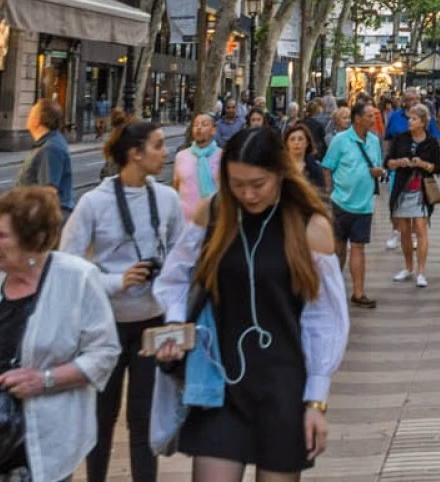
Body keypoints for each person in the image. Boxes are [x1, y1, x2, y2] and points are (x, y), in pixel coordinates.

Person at [152, 126, 346, 480]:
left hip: (284, 387)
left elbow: (324, 319)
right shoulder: (213, 213)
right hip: (219, 381)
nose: (247, 194)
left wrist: (316, 401)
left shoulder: (310, 226)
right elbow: (175, 276)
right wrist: (175, 324)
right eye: (237, 184)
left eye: (258, 184)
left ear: (280, 173)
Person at [0, 186, 119, 482]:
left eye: (1, 236)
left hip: (43, 446)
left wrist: (44, 380)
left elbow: (105, 352)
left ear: (32, 240)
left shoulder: (78, 278)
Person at [60, 120, 182, 482]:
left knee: (144, 418)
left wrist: (172, 304)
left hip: (152, 322)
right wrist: (117, 281)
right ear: (135, 153)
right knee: (101, 415)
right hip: (104, 325)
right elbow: (68, 264)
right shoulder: (93, 203)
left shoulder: (167, 199)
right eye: (158, 145)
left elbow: (181, 256)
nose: (165, 152)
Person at [319, 100, 385, 310]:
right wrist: (329, 193)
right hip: (341, 202)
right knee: (338, 248)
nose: (373, 119)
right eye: (369, 116)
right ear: (357, 119)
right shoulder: (340, 140)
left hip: (364, 204)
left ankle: (358, 293)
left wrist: (379, 172)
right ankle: (332, 291)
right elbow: (327, 167)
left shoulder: (374, 141)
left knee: (358, 247)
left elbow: (377, 165)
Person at [383, 104, 440, 289]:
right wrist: (399, 163)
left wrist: (423, 164)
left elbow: (438, 168)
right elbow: (388, 162)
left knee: (420, 227)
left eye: (414, 118)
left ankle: (421, 271)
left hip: (421, 191)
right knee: (404, 231)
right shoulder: (400, 139)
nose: (410, 121)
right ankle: (408, 267)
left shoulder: (431, 142)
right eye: (409, 118)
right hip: (402, 189)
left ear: (423, 122)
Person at [18, 100, 75, 211]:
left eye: (31, 113)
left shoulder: (50, 148)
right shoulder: (49, 143)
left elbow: (48, 193)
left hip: (47, 220)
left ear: (37, 120)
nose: (28, 116)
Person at [174, 113, 223, 223]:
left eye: (204, 124)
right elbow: (176, 187)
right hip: (185, 223)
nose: (199, 128)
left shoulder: (222, 156)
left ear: (213, 130)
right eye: (196, 125)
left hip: (213, 221)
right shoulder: (181, 156)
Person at [283, 122, 327, 195]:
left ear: (307, 143)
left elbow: (321, 195)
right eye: (292, 139)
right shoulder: (280, 167)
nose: (296, 143)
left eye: (300, 139)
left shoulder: (315, 169)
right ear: (287, 143)